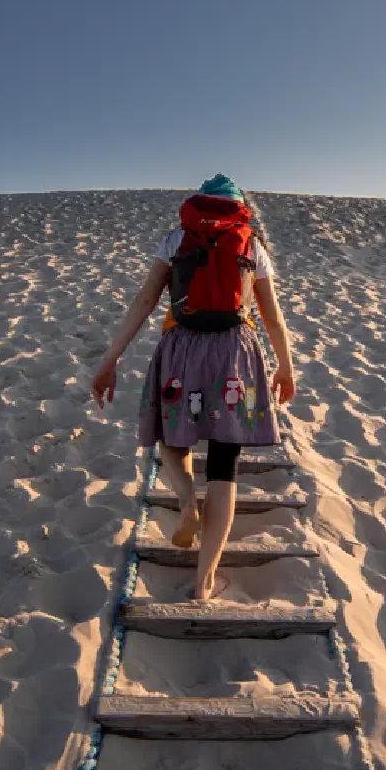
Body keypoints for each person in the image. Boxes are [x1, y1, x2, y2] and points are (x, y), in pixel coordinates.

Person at [89, 175, 297, 601]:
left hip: (181, 348)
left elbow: (144, 302)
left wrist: (109, 361)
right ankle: (205, 579)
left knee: (171, 435)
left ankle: (186, 501)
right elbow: (272, 316)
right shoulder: (251, 244)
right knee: (224, 461)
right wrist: (285, 367)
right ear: (238, 207)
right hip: (234, 352)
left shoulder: (176, 239)